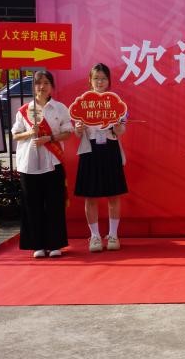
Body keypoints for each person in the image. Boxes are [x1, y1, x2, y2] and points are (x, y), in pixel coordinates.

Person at [11, 70, 72, 258]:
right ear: (34, 86)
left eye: (46, 83)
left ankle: (55, 244)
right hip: (29, 164)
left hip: (53, 162)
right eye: (38, 83)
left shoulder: (60, 108)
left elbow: (67, 133)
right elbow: (15, 135)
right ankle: (37, 244)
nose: (42, 87)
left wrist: (49, 138)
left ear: (52, 86)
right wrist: (30, 133)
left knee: (54, 204)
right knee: (32, 205)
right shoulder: (24, 110)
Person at [74, 63, 128, 252]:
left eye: (103, 78)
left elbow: (121, 130)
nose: (100, 82)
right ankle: (95, 236)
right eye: (96, 78)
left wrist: (117, 126)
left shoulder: (116, 103)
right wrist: (78, 128)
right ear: (90, 80)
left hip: (110, 149)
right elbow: (77, 133)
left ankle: (113, 235)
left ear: (108, 81)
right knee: (91, 196)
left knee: (114, 195)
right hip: (89, 151)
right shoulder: (82, 103)